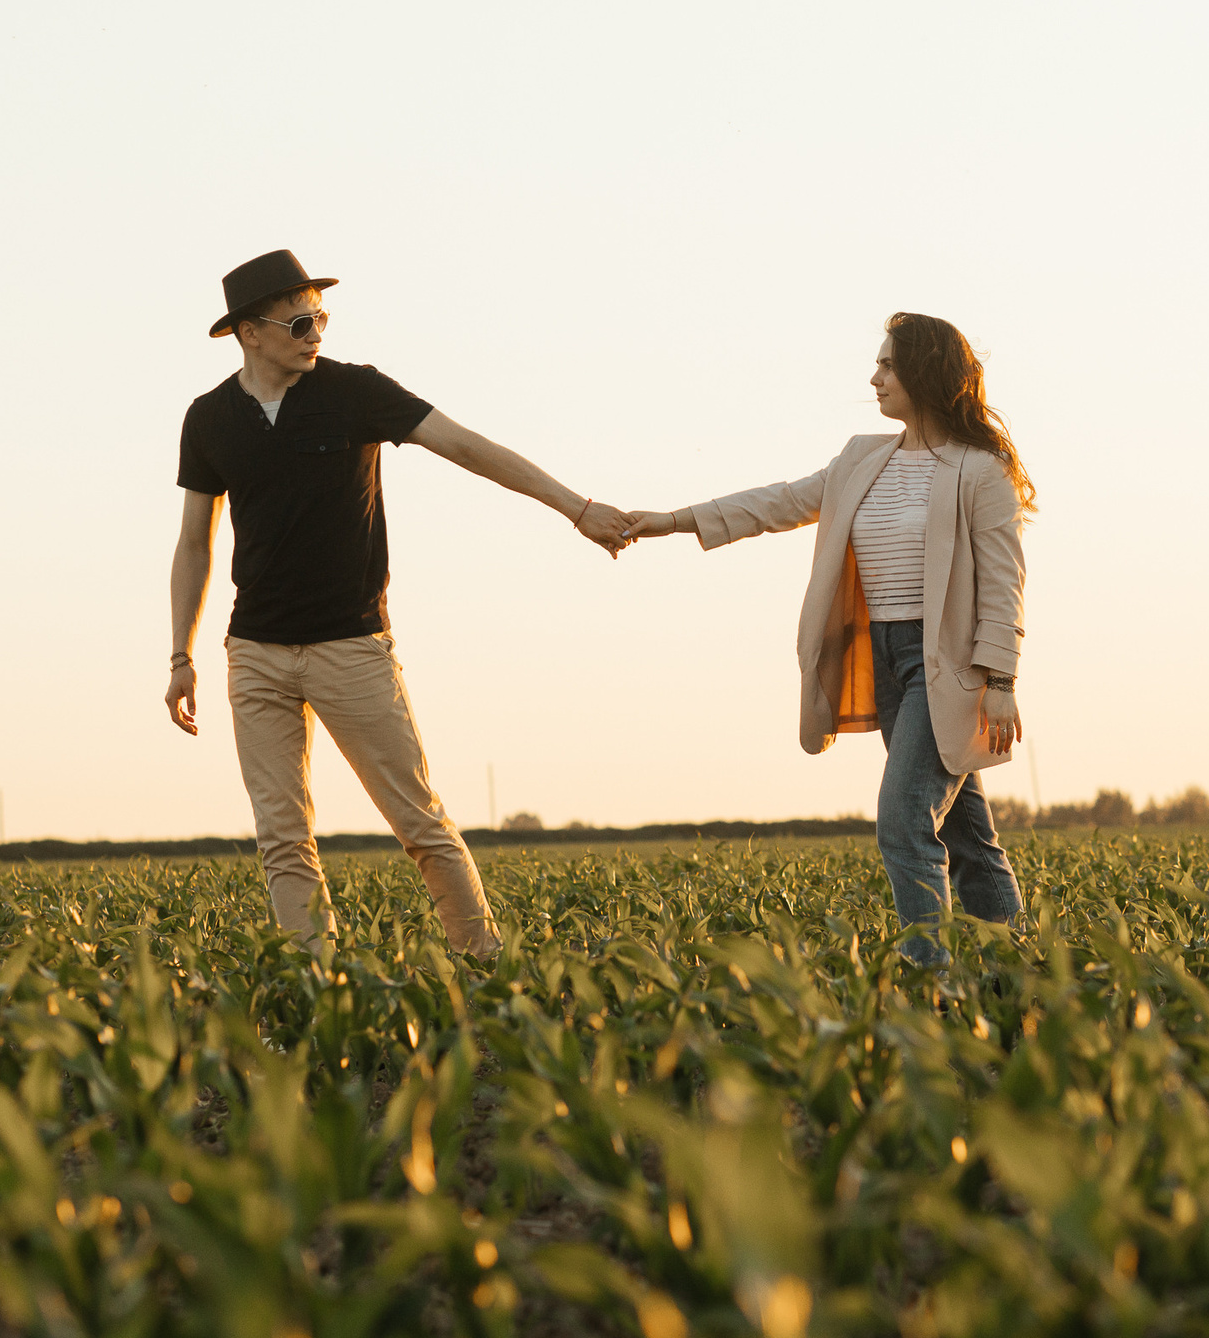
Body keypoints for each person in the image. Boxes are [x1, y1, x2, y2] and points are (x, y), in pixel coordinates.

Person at [166, 249, 632, 958]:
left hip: (351, 648)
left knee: (418, 821)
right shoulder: (208, 419)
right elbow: (194, 544)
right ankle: (315, 992)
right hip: (254, 653)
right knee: (283, 840)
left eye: (319, 314)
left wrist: (576, 507)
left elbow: (468, 447)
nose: (314, 329)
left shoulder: (355, 392)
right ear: (249, 332)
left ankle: (485, 968)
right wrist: (180, 656)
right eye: (297, 320)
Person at [621, 313, 1033, 966]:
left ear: (924, 372)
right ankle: (1024, 980)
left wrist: (1002, 681)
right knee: (966, 834)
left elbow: (1003, 583)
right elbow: (779, 502)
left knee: (903, 822)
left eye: (888, 365)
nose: (875, 377)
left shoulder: (978, 471)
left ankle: (932, 993)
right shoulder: (859, 459)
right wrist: (672, 521)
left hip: (948, 669)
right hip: (890, 665)